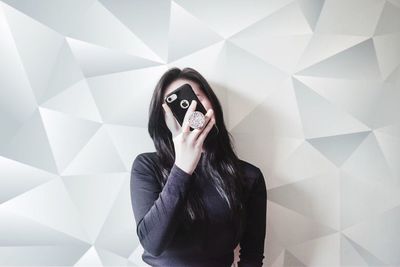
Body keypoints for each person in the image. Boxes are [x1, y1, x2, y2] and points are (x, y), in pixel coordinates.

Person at [130, 67, 267, 267]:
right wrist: (182, 167)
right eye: (174, 103)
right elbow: (153, 244)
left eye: (197, 97)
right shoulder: (147, 166)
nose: (190, 107)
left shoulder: (248, 176)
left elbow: (252, 256)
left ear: (213, 105)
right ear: (163, 117)